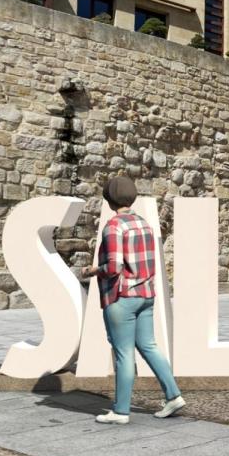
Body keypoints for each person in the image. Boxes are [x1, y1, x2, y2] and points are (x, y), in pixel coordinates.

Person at [81, 176, 185, 425]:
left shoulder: (114, 226)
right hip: (145, 295)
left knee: (123, 354)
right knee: (149, 346)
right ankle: (173, 396)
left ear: (108, 200)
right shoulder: (144, 224)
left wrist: (92, 270)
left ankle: (120, 411)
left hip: (122, 296)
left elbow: (114, 266)